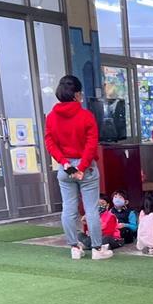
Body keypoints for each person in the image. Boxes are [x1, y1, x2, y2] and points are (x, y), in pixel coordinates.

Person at [44, 74, 112, 261]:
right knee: (91, 209)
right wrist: (81, 167)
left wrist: (65, 164)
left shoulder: (51, 117)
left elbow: (50, 143)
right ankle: (97, 249)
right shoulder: (86, 116)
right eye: (80, 93)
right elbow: (91, 144)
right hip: (86, 168)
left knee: (68, 209)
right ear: (76, 94)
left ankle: (74, 247)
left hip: (64, 168)